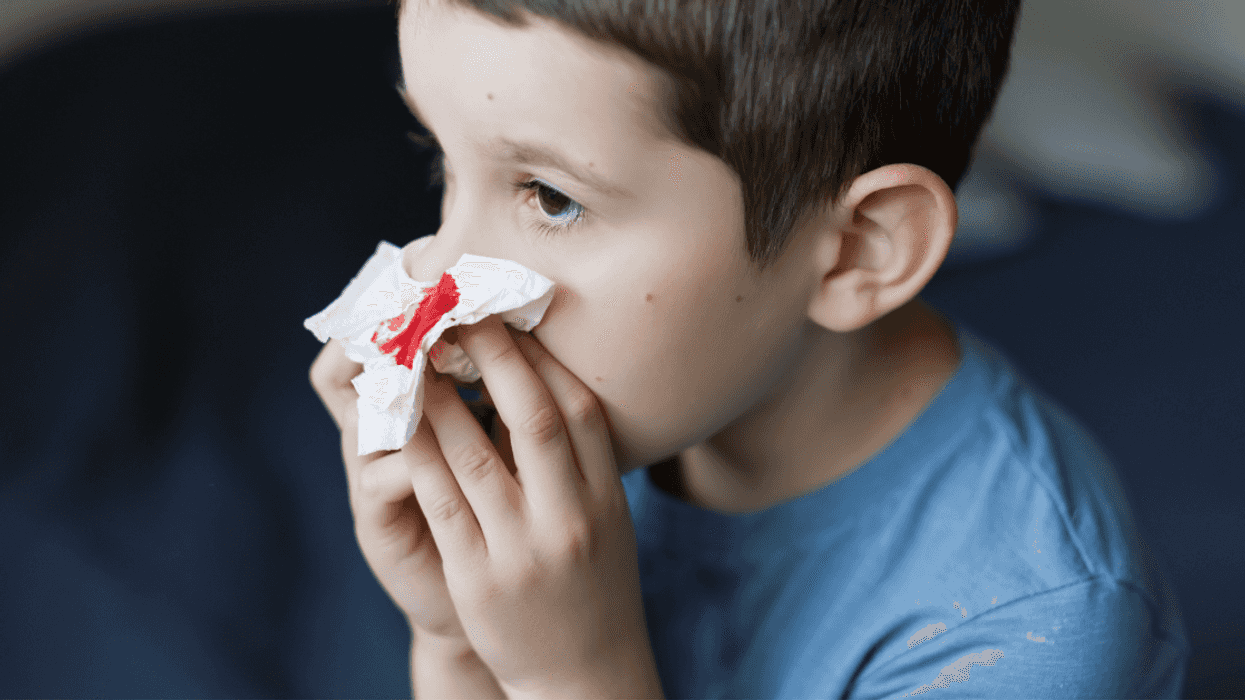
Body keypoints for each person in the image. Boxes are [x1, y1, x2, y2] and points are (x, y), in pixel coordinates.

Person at [309, 0, 1191, 696]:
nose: (437, 283)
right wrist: (459, 641)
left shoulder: (1033, 633)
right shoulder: (647, 404)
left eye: (549, 198)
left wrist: (571, 675)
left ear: (855, 251)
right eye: (441, 162)